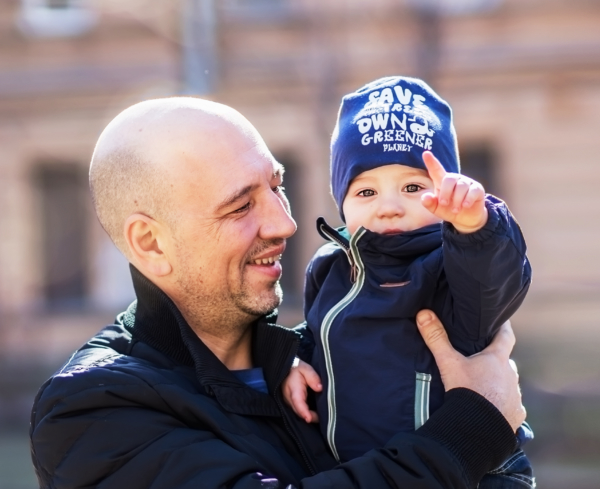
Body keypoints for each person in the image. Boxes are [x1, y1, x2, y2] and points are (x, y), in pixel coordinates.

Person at [29, 96, 525, 488]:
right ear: (151, 242)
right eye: (241, 206)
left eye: (277, 187)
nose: (285, 224)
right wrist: (471, 428)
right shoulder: (93, 411)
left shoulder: (318, 355)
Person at [283, 76, 534, 488]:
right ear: (341, 202)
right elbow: (321, 335)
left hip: (472, 473)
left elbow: (496, 280)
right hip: (366, 473)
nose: (389, 207)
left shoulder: (451, 266)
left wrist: (477, 226)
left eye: (413, 187)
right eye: (365, 192)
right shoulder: (331, 267)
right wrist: (292, 360)